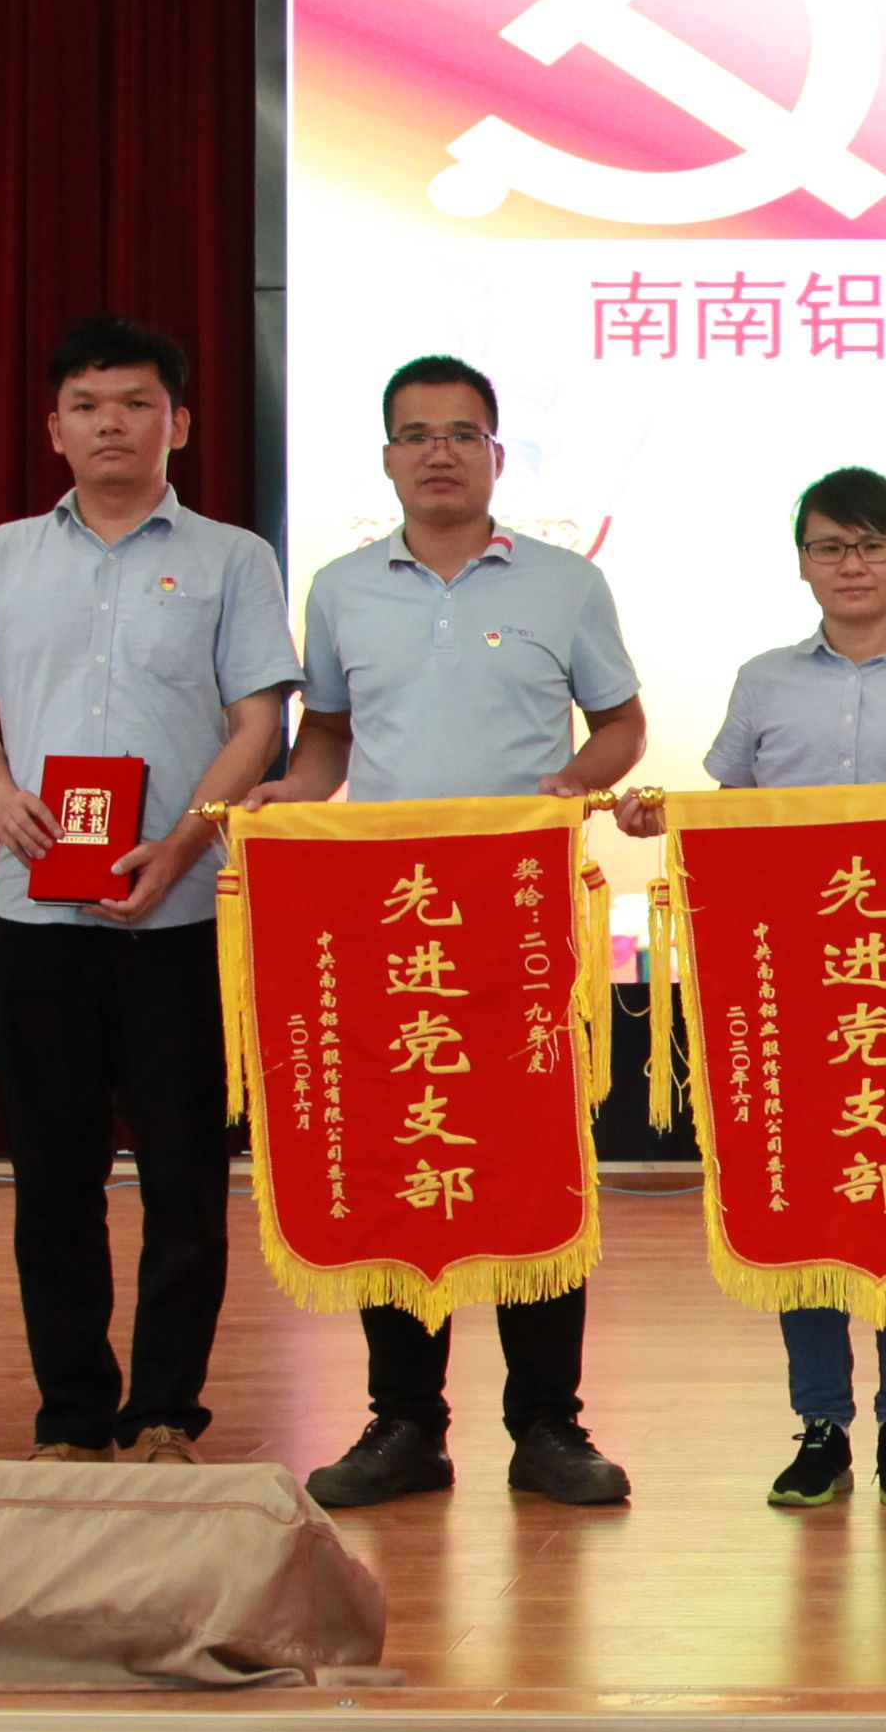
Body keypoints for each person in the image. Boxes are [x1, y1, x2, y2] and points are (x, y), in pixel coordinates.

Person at [273, 354, 646, 1510]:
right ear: (388, 457)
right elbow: (327, 739)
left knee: (534, 1163)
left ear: (496, 455)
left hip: (520, 917)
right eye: (416, 434)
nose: (438, 452)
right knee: (404, 1159)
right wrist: (283, 807)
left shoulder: (564, 584)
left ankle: (548, 1424)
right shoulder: (341, 588)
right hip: (389, 921)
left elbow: (622, 726)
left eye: (460, 433)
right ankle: (405, 1423)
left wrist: (570, 784)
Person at [0, 314, 298, 1466]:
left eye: (136, 404)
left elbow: (259, 723)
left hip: (178, 919)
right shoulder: (3, 556)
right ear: (54, 427)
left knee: (185, 1177)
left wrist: (180, 848)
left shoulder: (233, 558)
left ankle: (167, 1410)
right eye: (87, 405)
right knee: (53, 1180)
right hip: (33, 915)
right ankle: (71, 1413)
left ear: (177, 423)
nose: (111, 425)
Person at [638, 466, 886, 1513]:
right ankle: (818, 1423)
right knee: (801, 1197)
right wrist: (663, 817)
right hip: (794, 994)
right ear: (802, 562)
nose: (853, 566)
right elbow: (731, 816)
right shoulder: (763, 681)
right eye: (830, 547)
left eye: (872, 545)